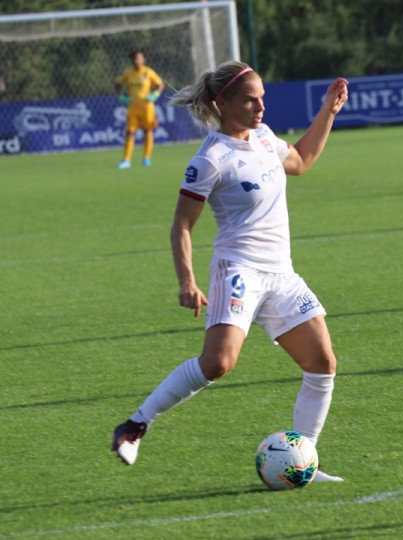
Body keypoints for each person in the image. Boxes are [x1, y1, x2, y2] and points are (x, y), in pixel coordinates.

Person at [110, 61, 350, 484]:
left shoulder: (263, 136)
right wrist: (187, 281)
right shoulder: (211, 159)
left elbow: (301, 161)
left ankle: (303, 462)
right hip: (238, 269)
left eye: (262, 98)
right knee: (218, 363)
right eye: (250, 100)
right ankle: (135, 425)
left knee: (322, 362)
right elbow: (182, 224)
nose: (260, 107)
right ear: (223, 103)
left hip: (282, 274)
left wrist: (328, 111)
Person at [114, 50, 164, 169]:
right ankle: (126, 160)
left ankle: (146, 158)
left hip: (147, 107)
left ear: (143, 60)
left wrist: (155, 94)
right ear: (132, 60)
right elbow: (117, 84)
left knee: (148, 131)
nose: (137, 61)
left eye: (139, 58)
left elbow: (160, 84)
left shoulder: (148, 72)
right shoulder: (128, 73)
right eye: (135, 58)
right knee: (130, 132)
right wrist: (121, 97)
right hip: (133, 107)